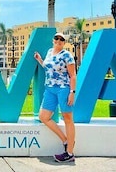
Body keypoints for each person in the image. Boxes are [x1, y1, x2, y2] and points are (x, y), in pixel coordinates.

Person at [34, 32, 77, 163]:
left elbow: (73, 75)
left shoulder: (67, 55)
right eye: (56, 38)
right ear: (53, 40)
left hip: (63, 89)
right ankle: (65, 140)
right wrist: (40, 60)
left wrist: (72, 92)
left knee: (67, 118)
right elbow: (48, 69)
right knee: (43, 117)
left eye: (62, 39)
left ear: (64, 43)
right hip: (49, 89)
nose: (58, 40)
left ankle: (69, 153)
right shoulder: (49, 52)